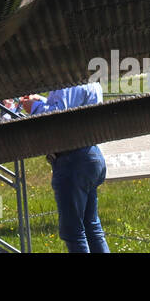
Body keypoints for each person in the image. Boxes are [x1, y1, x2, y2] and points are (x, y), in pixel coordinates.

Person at [45, 82, 110, 253]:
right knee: (92, 226)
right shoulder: (93, 83)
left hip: (71, 160)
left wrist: (35, 106)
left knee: (73, 232)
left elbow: (56, 117)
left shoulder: (67, 82)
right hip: (91, 153)